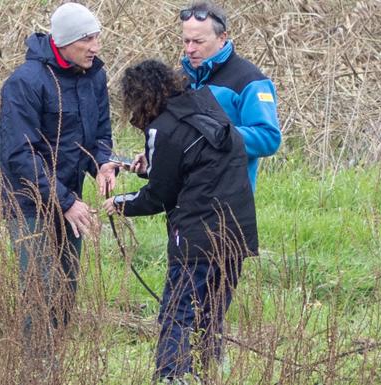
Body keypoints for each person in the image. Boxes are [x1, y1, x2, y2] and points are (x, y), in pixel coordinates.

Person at [103, 60, 258, 383]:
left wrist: (119, 204)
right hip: (238, 230)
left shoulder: (162, 128)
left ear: (139, 97)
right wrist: (151, 166)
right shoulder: (204, 103)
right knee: (212, 312)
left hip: (197, 234)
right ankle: (209, 371)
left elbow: (159, 196)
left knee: (178, 310)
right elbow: (197, 161)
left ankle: (172, 376)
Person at [0, 2, 116, 352]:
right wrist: (63, 200)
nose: (95, 46)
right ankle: (37, 367)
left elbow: (101, 133)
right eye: (87, 39)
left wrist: (103, 164)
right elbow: (19, 154)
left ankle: (55, 359)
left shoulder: (94, 74)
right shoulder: (25, 83)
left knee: (66, 287)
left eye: (97, 37)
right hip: (30, 203)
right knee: (40, 288)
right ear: (64, 42)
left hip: (71, 199)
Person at [179, 0, 281, 191]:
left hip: (230, 200)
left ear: (222, 38)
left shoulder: (250, 81)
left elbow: (269, 138)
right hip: (183, 202)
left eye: (198, 42)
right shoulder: (180, 79)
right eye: (186, 41)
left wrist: (216, 135)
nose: (190, 49)